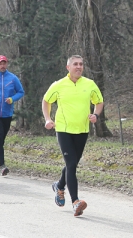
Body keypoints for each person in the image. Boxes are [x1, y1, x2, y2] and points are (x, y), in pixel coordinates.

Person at [42, 55, 103, 217]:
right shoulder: (59, 85)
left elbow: (99, 101)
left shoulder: (89, 84)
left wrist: (95, 115)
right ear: (68, 67)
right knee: (70, 164)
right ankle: (75, 202)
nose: (78, 67)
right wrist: (48, 119)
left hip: (82, 130)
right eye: (75, 64)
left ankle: (59, 186)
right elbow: (46, 101)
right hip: (63, 129)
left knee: (73, 164)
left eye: (81, 64)